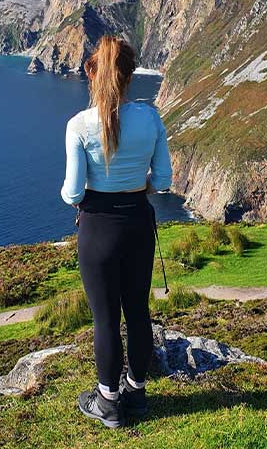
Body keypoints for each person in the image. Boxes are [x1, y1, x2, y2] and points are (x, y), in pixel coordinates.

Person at [60, 35, 173, 428]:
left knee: (105, 320)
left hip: (97, 229)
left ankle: (107, 402)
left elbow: (72, 192)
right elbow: (161, 181)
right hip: (139, 224)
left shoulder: (79, 126)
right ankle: (136, 395)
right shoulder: (151, 118)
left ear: (93, 73)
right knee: (138, 312)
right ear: (129, 75)